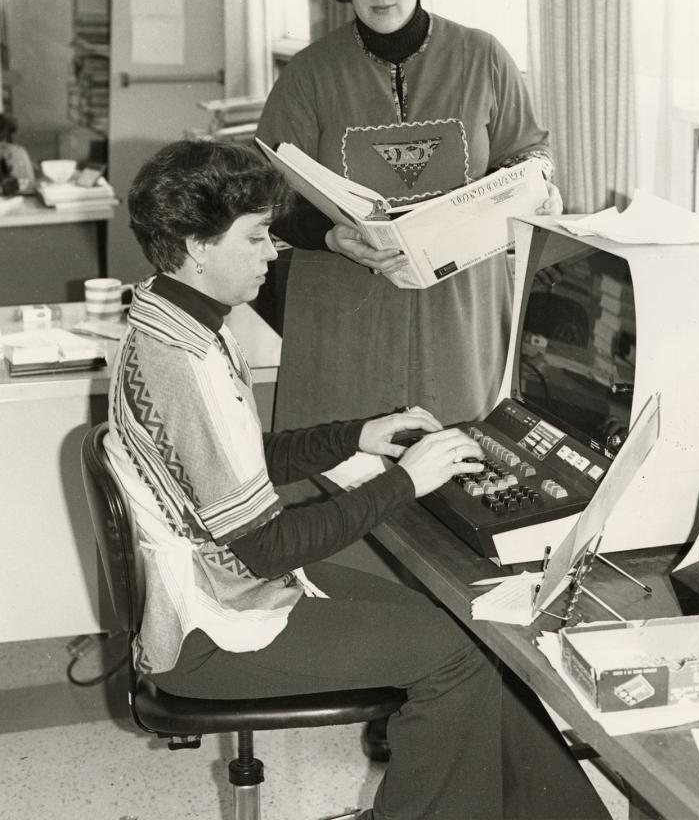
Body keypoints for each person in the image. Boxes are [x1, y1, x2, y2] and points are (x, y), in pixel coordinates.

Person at [104, 139, 608, 820]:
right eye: (256, 236)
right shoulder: (179, 365)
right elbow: (267, 547)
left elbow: (240, 457)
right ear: (198, 246)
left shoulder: (180, 321)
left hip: (227, 587)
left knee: (474, 635)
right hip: (208, 630)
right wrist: (404, 481)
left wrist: (355, 435)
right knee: (453, 660)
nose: (273, 251)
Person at [257, 0, 562, 432]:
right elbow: (268, 194)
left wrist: (535, 183)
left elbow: (527, 153)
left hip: (459, 318)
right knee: (343, 494)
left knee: (462, 481)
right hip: (344, 319)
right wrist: (330, 236)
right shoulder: (308, 74)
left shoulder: (482, 56)